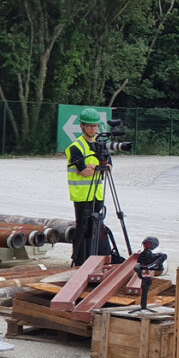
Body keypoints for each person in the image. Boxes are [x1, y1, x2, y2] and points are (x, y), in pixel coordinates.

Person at [65, 107, 112, 266]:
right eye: (90, 126)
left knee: (96, 227)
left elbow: (109, 169)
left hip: (97, 195)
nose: (93, 129)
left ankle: (97, 259)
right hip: (82, 196)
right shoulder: (76, 147)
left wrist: (93, 166)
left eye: (95, 126)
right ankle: (79, 260)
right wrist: (96, 167)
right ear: (82, 126)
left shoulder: (101, 146)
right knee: (83, 229)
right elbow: (84, 172)